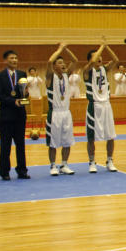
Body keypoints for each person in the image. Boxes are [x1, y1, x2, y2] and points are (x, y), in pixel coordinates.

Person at [84, 39, 120, 172]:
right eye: (96, 56)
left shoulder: (104, 69)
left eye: (100, 56)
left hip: (106, 105)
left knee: (110, 135)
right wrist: (101, 47)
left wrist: (106, 47)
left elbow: (116, 60)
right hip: (94, 106)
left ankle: (109, 160)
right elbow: (92, 63)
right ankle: (92, 161)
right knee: (91, 137)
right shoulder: (87, 71)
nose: (99, 58)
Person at [0, 49, 29, 180]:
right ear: (5, 61)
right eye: (11, 58)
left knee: (20, 144)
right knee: (5, 145)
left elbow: (25, 95)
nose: (14, 60)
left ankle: (22, 170)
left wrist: (25, 96)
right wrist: (14, 102)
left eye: (16, 58)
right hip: (6, 115)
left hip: (20, 115)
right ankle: (4, 172)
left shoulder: (22, 74)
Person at [46, 43, 78, 175]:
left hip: (66, 113)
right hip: (55, 113)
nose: (63, 64)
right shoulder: (50, 77)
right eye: (59, 62)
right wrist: (59, 49)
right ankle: (53, 165)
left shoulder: (66, 75)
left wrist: (66, 49)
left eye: (63, 62)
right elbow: (49, 61)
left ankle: (64, 164)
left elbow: (75, 61)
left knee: (67, 140)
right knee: (53, 142)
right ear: (54, 66)